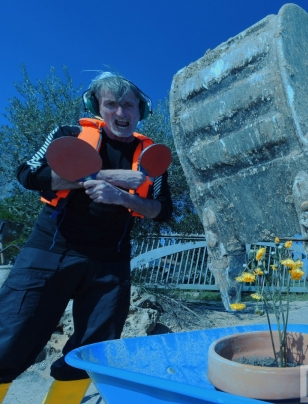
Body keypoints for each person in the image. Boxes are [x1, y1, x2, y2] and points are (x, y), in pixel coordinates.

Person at [0, 72, 173, 403]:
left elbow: (162, 210)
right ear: (97, 107)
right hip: (50, 250)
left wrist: (124, 197)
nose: (120, 113)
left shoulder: (153, 157)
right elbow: (29, 174)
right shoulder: (70, 136)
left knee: (91, 352)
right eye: (111, 104)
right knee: (10, 338)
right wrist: (103, 176)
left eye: (128, 105)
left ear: (140, 111)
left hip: (111, 263)